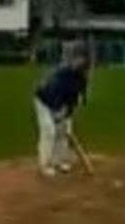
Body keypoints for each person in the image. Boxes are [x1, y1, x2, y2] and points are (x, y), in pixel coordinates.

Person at [34, 41, 91, 177]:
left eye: (80, 59)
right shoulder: (62, 73)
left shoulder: (82, 78)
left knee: (64, 131)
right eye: (75, 58)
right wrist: (56, 113)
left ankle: (59, 161)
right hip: (44, 101)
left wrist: (66, 113)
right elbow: (54, 93)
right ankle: (45, 165)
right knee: (49, 130)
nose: (77, 61)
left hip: (61, 105)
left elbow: (77, 100)